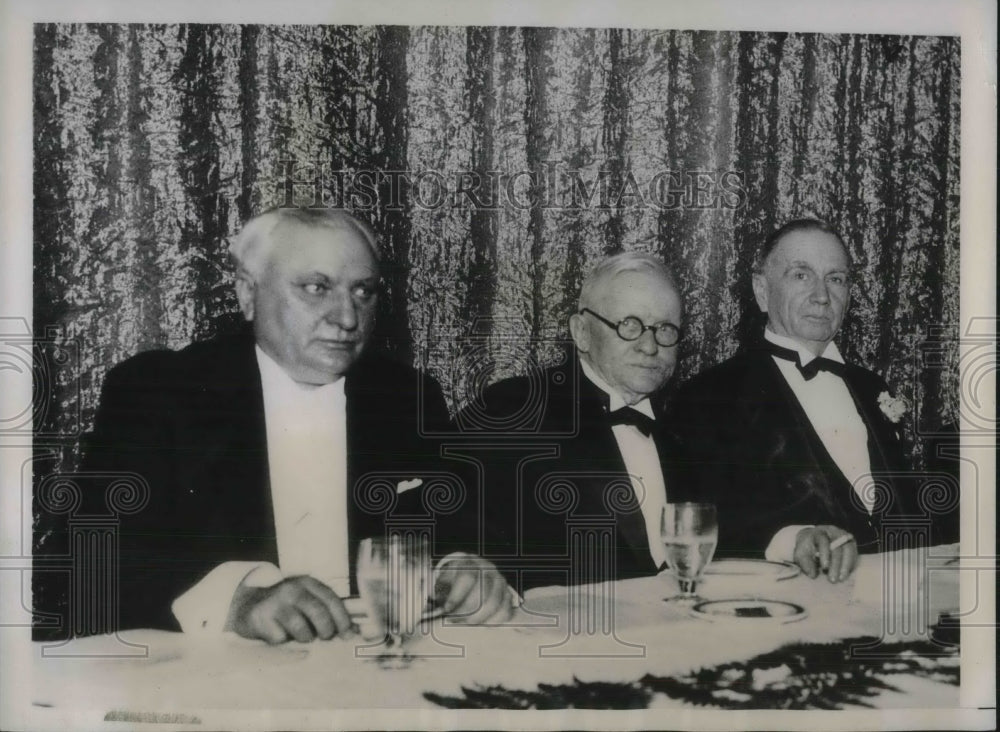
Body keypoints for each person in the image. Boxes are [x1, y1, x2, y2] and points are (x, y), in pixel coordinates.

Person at [83, 207, 512, 643]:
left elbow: (465, 527)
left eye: (363, 291)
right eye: (316, 288)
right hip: (224, 666)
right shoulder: (158, 392)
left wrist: (460, 567)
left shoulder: (406, 396)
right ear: (248, 294)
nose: (347, 317)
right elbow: (96, 562)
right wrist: (237, 602)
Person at [671, 218, 917, 583]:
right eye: (801, 275)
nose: (822, 296)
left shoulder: (871, 387)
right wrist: (791, 540)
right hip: (788, 602)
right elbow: (699, 520)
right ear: (761, 290)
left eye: (836, 278)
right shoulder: (708, 396)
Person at [460, 253, 686, 593]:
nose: (650, 346)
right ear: (581, 332)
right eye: (629, 325)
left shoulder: (686, 428)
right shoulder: (514, 410)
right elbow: (445, 527)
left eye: (665, 329)